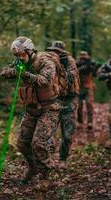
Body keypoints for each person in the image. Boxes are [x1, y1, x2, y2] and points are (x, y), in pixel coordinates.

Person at [0, 36, 65, 184]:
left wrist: (25, 74)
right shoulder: (20, 61)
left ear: (29, 51)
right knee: (22, 143)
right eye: (18, 56)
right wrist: (13, 71)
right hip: (31, 109)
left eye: (22, 55)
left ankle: (45, 175)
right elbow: (3, 72)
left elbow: (44, 80)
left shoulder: (44, 61)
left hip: (49, 108)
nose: (20, 58)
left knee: (39, 143)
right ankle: (33, 167)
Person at [46, 41, 80, 169]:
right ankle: (48, 159)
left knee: (67, 134)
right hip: (53, 101)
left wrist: (58, 69)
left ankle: (63, 158)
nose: (55, 54)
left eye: (57, 52)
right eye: (53, 51)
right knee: (49, 133)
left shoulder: (69, 61)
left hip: (68, 102)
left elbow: (71, 76)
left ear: (61, 53)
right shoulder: (47, 61)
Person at [76, 51, 99, 131]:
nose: (83, 60)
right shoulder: (76, 64)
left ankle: (90, 122)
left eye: (84, 58)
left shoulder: (90, 65)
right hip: (78, 88)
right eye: (81, 58)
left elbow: (95, 74)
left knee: (89, 104)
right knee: (79, 106)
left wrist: (94, 67)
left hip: (88, 87)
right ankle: (80, 122)